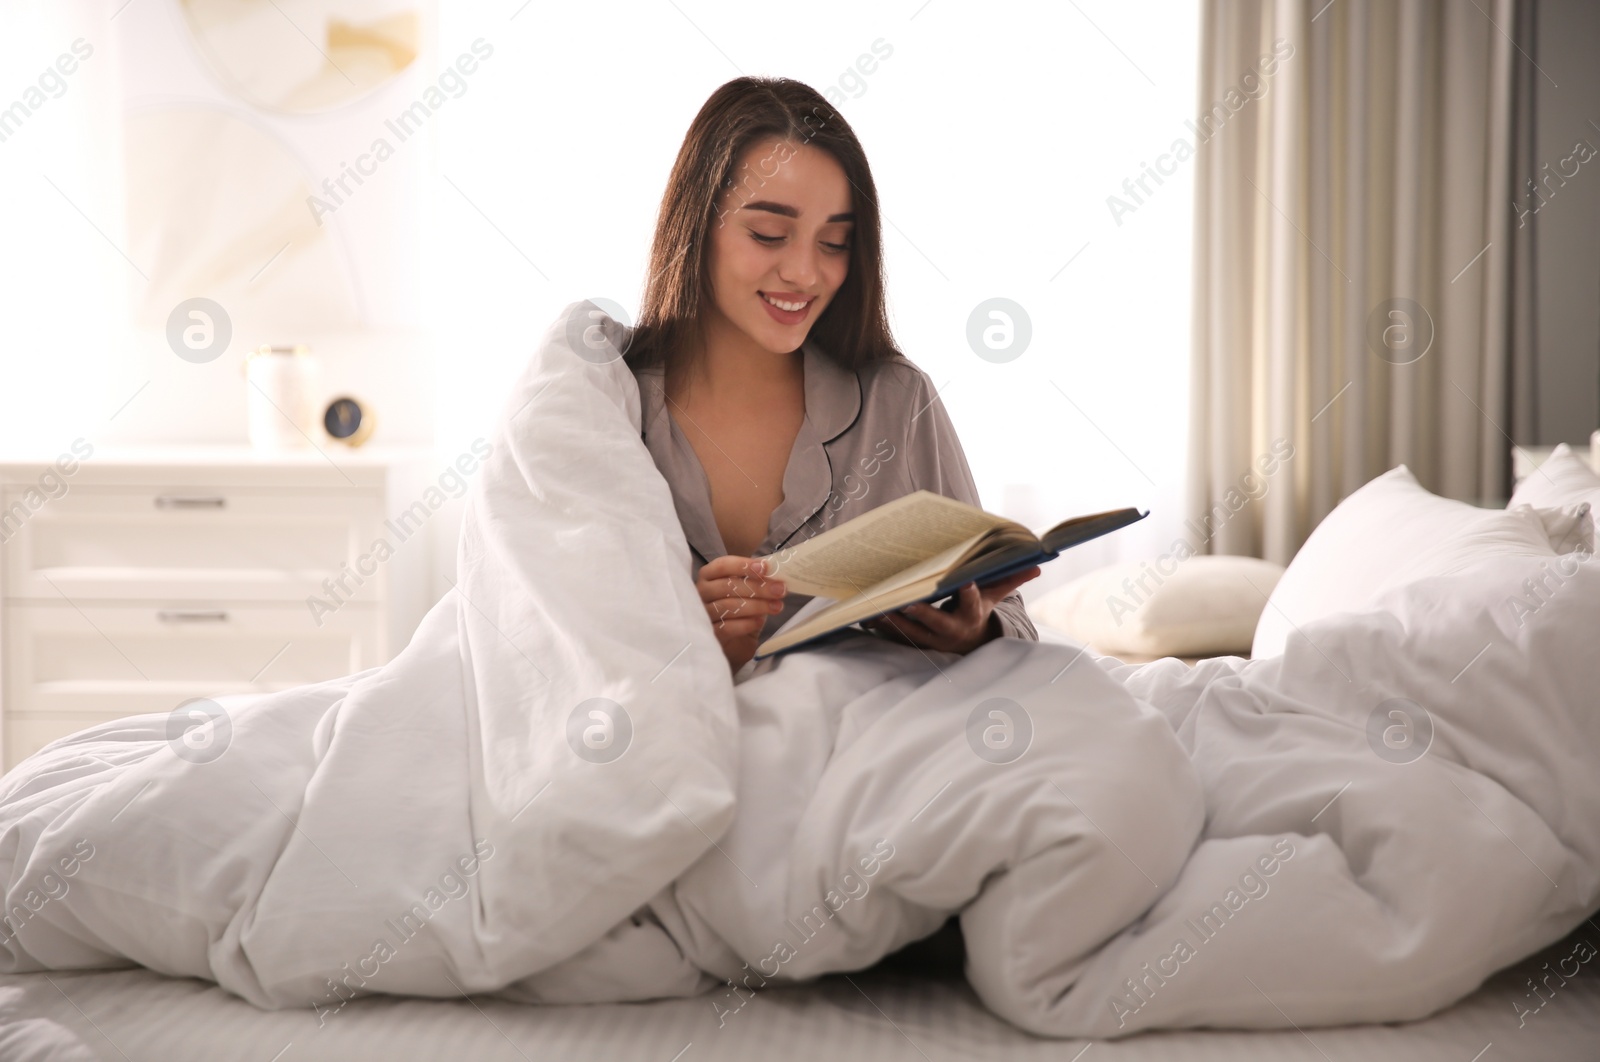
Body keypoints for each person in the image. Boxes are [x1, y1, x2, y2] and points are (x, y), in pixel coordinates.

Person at [622, 76, 1038, 673]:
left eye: (835, 242)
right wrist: (693, 646)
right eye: (769, 234)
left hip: (876, 740)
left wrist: (973, 631)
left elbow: (1017, 621)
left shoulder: (898, 401)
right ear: (697, 225)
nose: (805, 273)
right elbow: (556, 629)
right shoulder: (613, 403)